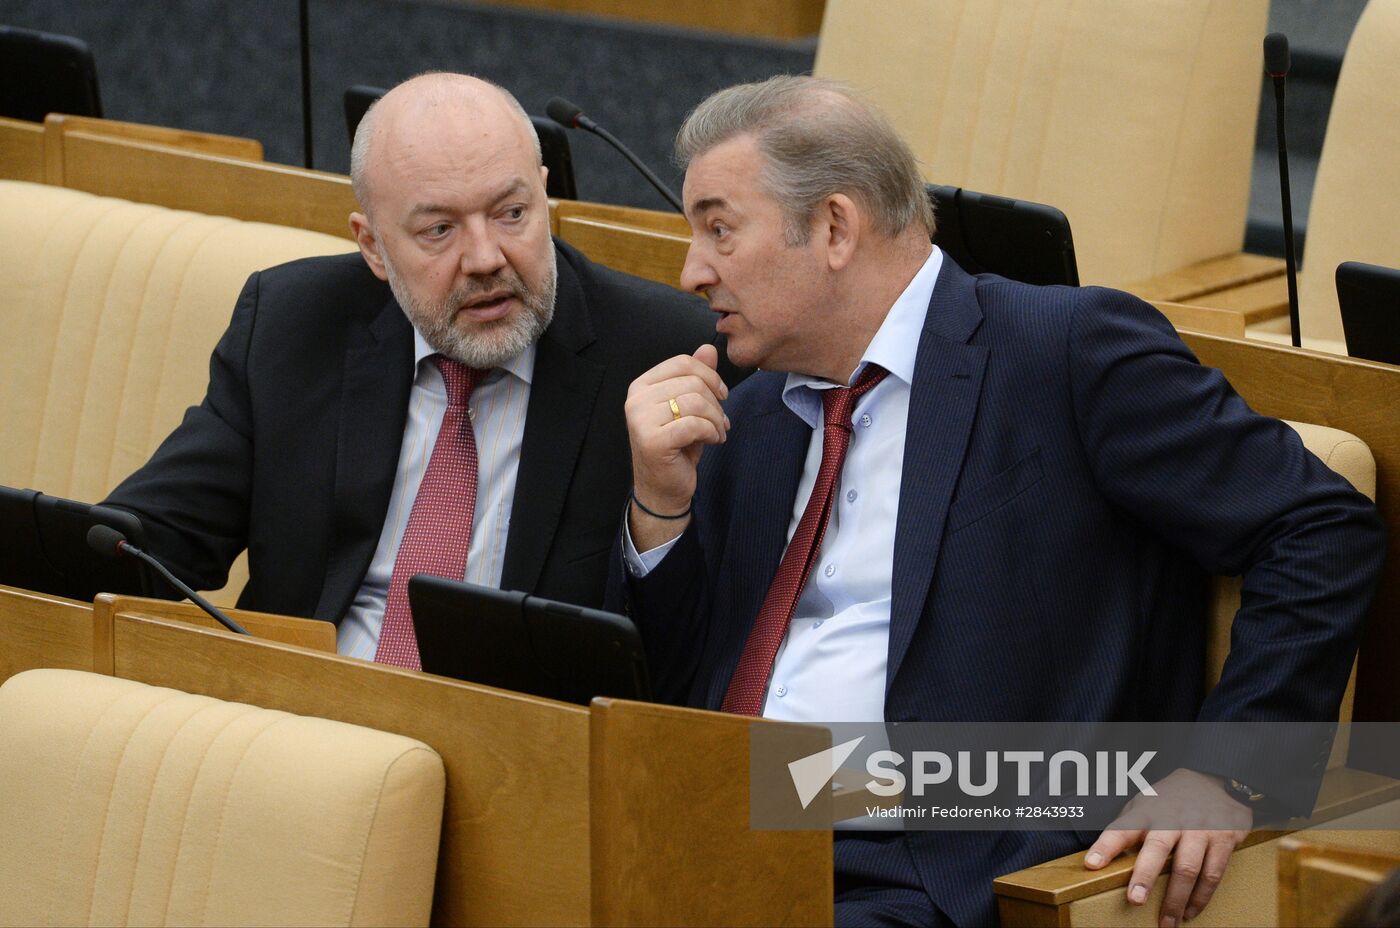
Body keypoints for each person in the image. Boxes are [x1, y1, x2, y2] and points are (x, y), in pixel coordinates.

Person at [616, 76, 1385, 927]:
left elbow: (1319, 525)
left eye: (719, 230)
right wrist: (660, 509)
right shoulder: (753, 410)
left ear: (834, 226)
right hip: (714, 833)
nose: (691, 271)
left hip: (934, 869)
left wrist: (1231, 772)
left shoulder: (1065, 353)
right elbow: (687, 682)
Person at [104, 72, 732, 668]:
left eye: (512, 214)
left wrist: (660, 515)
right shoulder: (293, 327)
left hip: (514, 740)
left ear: (546, 193)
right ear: (373, 245)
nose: (486, 259)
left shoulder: (664, 355)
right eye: (439, 229)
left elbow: (688, 653)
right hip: (298, 720)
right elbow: (147, 543)